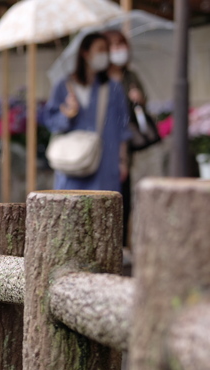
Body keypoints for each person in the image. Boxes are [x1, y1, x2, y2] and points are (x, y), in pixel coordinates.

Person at [44, 33, 131, 193]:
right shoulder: (62, 86)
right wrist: (67, 114)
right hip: (71, 166)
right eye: (100, 49)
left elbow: (122, 128)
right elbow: (51, 122)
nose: (105, 54)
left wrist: (122, 161)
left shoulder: (114, 88)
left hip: (105, 165)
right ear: (85, 52)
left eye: (106, 50)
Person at [105, 29, 152, 245]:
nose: (118, 51)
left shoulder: (130, 76)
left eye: (121, 45)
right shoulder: (99, 79)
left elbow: (140, 107)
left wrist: (139, 100)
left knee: (123, 194)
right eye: (113, 46)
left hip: (125, 145)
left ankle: (121, 243)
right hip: (104, 146)